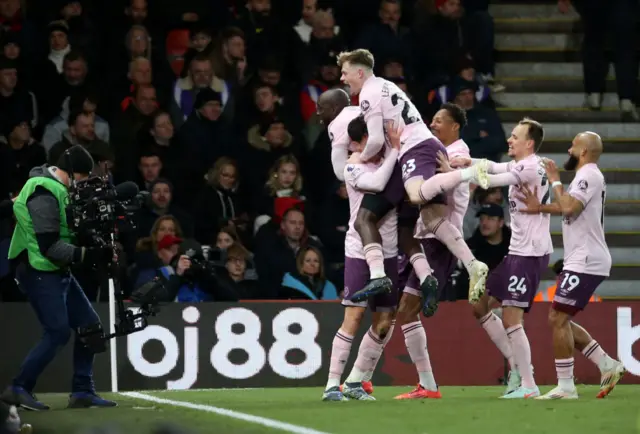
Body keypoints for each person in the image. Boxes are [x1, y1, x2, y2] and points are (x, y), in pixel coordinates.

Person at [336, 49, 489, 311]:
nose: (342, 78)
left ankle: (471, 172)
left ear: (359, 72)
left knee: (417, 195)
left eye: (345, 72)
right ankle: (469, 266)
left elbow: (372, 141)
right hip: (420, 148)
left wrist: (356, 160)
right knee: (422, 219)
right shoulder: (385, 86)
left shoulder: (369, 93)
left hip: (414, 149)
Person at [0, 146, 116, 410]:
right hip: (37, 268)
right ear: (71, 173)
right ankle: (18, 388)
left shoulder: (58, 189)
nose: (84, 183)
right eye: (83, 177)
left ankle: (82, 391)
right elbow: (50, 247)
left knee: (89, 325)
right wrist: (89, 254)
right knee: (58, 331)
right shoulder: (43, 191)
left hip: (53, 269)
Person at [517, 131, 625, 399]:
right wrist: (539, 208)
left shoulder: (589, 174)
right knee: (560, 318)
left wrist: (554, 181)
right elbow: (569, 206)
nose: (568, 149)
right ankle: (606, 365)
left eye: (573, 146)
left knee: (557, 317)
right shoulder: (585, 175)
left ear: (585, 152)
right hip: (583, 257)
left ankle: (566, 386)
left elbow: (568, 207)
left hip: (587, 258)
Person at [467, 118, 552, 399]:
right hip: (516, 253)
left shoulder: (529, 167)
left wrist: (457, 174)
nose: (509, 140)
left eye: (515, 137)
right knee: (479, 305)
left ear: (529, 143)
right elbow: (494, 166)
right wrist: (466, 160)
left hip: (529, 254)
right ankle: (518, 368)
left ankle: (527, 383)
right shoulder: (524, 164)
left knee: (512, 318)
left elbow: (491, 179)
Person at [393, 103, 471, 400]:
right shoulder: (437, 150)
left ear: (455, 127)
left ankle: (428, 385)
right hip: (423, 238)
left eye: (440, 121)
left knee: (406, 311)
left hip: (440, 241)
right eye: (432, 120)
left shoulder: (454, 154)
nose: (433, 124)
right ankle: (427, 384)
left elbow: (466, 174)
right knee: (404, 311)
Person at [321, 114, 401, 402]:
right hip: (359, 251)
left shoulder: (386, 159)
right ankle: (332, 385)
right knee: (353, 317)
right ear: (358, 142)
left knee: (384, 322)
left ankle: (355, 382)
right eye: (373, 137)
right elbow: (378, 184)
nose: (378, 143)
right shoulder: (352, 165)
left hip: (389, 251)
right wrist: (394, 150)